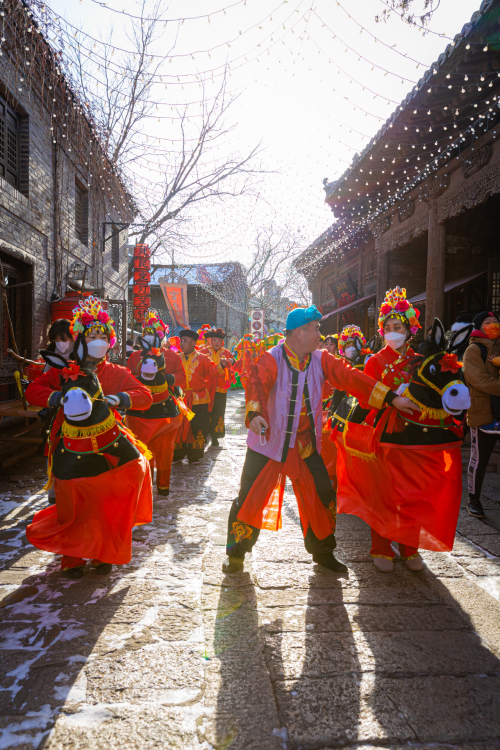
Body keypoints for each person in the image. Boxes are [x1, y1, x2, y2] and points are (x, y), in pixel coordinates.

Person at [222, 305, 416, 575]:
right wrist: (255, 414)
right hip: (269, 442)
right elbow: (257, 384)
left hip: (305, 444)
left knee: (322, 495)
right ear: (300, 332)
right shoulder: (272, 357)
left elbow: (351, 377)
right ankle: (236, 555)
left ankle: (323, 553)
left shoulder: (322, 359)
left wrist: (391, 398)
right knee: (250, 496)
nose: (320, 335)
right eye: (316, 329)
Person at [25, 296, 153, 578]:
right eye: (92, 335)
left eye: (102, 336)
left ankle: (102, 553)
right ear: (81, 339)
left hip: (108, 443)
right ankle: (71, 558)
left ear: (110, 341)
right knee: (71, 502)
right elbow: (32, 391)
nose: (97, 340)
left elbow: (144, 395)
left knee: (106, 501)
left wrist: (119, 398)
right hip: (68, 444)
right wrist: (57, 398)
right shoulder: (64, 369)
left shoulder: (117, 372)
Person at [346, 287, 422, 571]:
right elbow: (365, 396)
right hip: (383, 433)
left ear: (409, 329)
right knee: (384, 493)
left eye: (398, 327)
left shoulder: (419, 360)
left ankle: (410, 547)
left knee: (412, 492)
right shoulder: (375, 361)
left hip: (414, 434)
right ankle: (381, 546)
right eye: (388, 327)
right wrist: (390, 401)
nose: (392, 332)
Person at [127, 312, 186, 495]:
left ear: (162, 336)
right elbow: (127, 377)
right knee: (141, 447)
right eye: (146, 332)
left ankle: (163, 484)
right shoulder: (135, 356)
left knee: (165, 449)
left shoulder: (171, 356)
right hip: (139, 411)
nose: (149, 336)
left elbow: (182, 378)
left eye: (154, 333)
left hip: (165, 412)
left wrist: (167, 378)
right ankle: (144, 482)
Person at [463, 311, 500, 518]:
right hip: (482, 411)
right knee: (480, 458)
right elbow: (479, 380)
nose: (493, 324)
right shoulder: (473, 350)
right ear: (478, 327)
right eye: (488, 322)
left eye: (496, 321)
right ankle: (473, 499)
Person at [173, 329, 230, 463]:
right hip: (181, 398)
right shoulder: (176, 357)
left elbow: (213, 370)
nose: (182, 344)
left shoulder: (203, 358)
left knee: (197, 427)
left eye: (185, 341)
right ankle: (178, 454)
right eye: (181, 341)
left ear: (193, 343)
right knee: (179, 426)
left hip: (199, 399)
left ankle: (195, 455)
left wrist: (221, 365)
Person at [200, 328, 235, 447]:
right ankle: (203, 435)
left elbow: (233, 364)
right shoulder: (203, 352)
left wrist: (232, 361)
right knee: (205, 412)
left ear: (222, 342)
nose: (216, 342)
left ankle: (215, 436)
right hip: (205, 387)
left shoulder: (226, 353)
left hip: (220, 387)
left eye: (219, 340)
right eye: (214, 340)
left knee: (218, 412)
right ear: (210, 341)